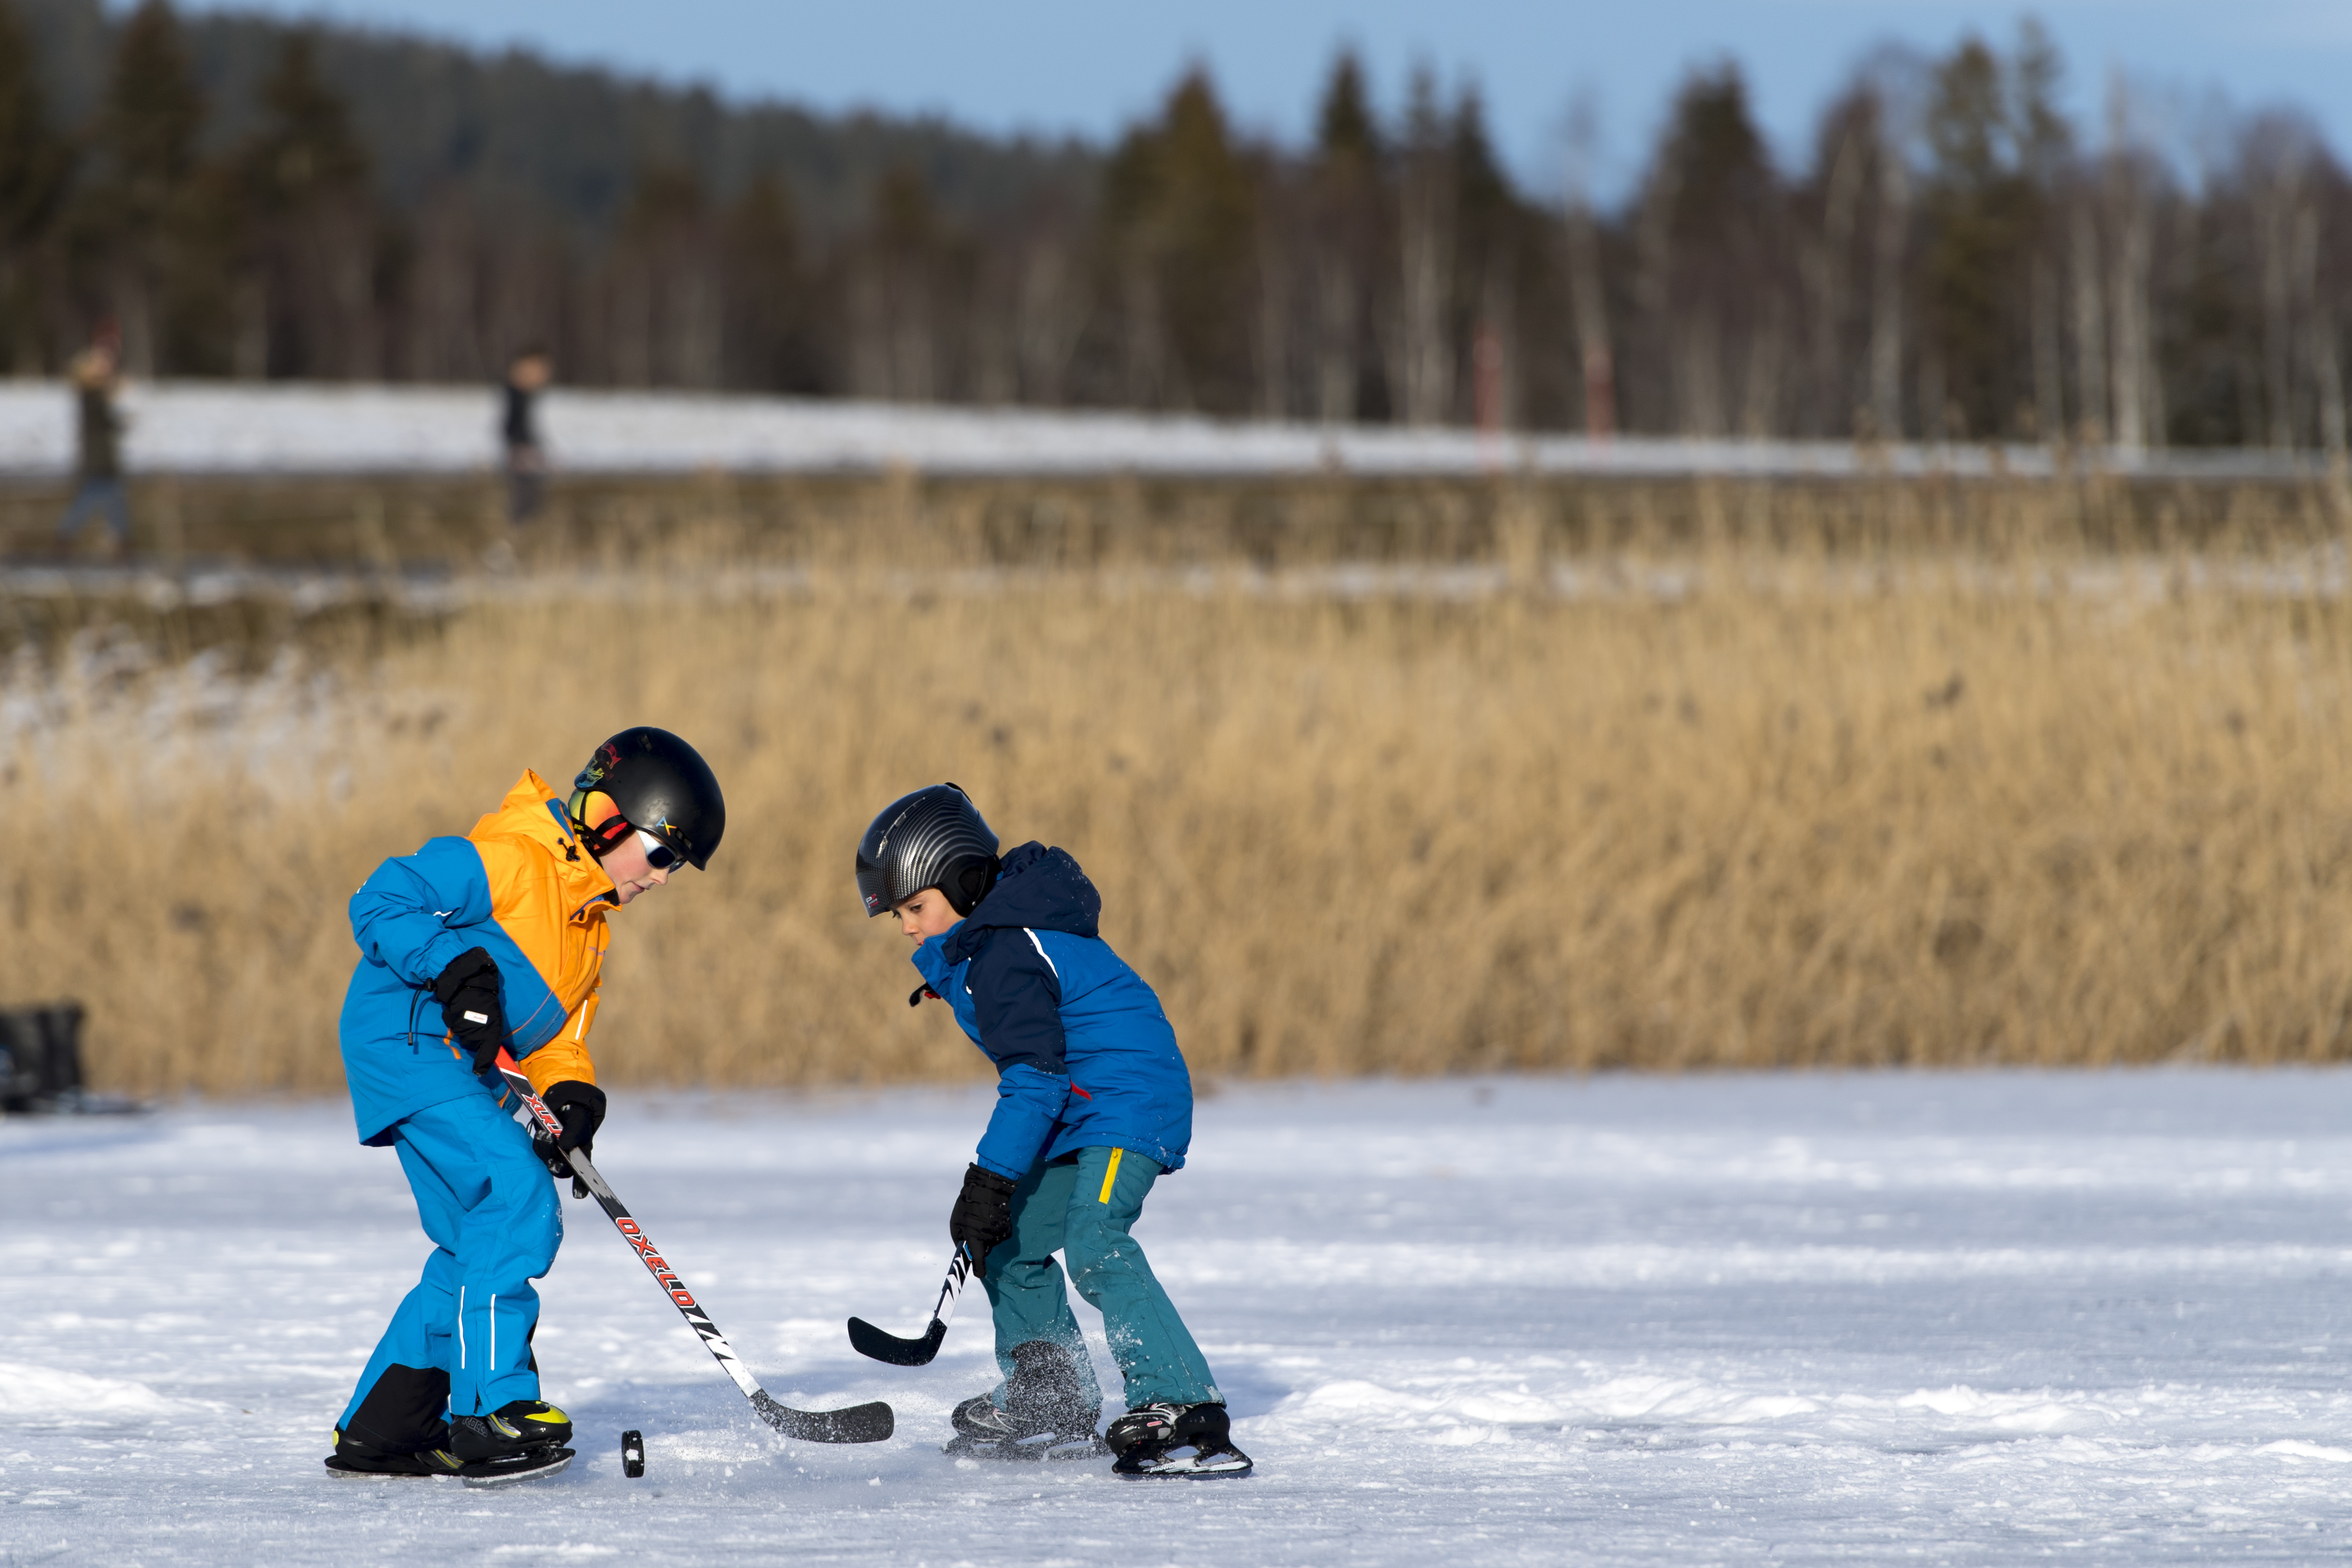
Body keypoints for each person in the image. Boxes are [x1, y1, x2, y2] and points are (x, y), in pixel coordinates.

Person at [326, 727, 725, 1481]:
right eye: (664, 853)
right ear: (609, 820)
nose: (666, 878)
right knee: (514, 1194)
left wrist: (571, 1090)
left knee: (474, 1237)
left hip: (459, 1067)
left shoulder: (588, 929)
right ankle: (488, 1410)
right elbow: (379, 897)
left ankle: (386, 1424)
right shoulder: (512, 858)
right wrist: (455, 966)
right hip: (408, 1038)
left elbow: (560, 1035)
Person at [856, 783, 1252, 1478]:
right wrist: (996, 1192)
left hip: (1127, 1101)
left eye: (915, 907)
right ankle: (1053, 1395)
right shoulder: (987, 947)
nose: (906, 928)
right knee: (1007, 1234)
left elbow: (1034, 1078)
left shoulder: (1005, 950)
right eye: (898, 914)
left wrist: (988, 1175)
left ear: (966, 882)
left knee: (1096, 1237)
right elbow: (1042, 1078)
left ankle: (1183, 1403)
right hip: (1079, 1106)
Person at [55, 322, 128, 553]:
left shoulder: (94, 395)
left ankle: (122, 544)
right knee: (92, 502)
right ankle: (66, 540)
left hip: (102, 459)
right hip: (97, 460)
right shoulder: (91, 395)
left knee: (112, 503)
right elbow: (105, 420)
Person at [500, 346, 552, 524]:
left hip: (525, 446)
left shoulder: (524, 396)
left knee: (531, 493)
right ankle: (520, 530)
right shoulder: (517, 394)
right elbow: (512, 426)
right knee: (526, 495)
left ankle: (523, 529)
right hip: (522, 447)